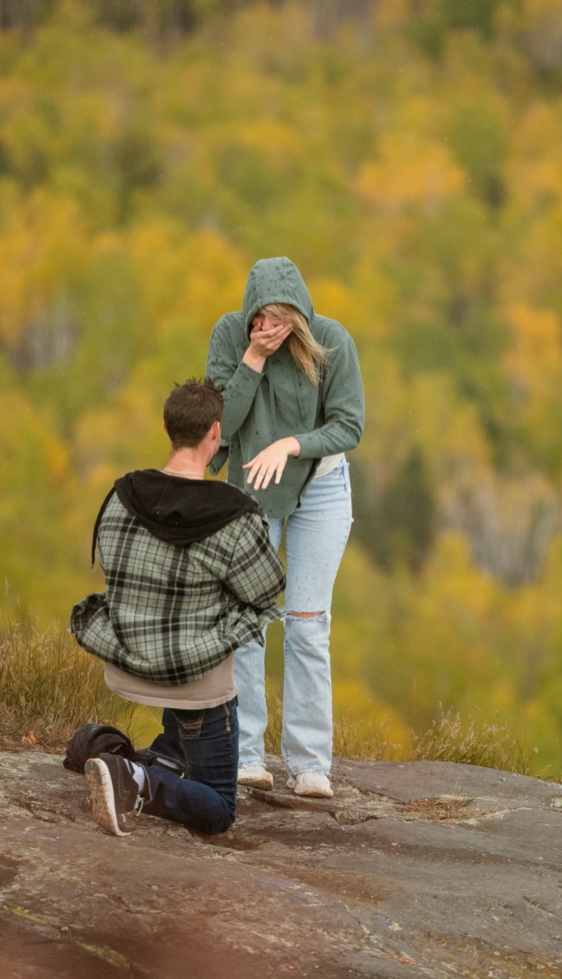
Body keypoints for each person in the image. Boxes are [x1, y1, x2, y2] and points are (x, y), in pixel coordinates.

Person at [69, 379, 285, 836]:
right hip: (195, 686)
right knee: (220, 809)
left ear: (166, 426)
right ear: (215, 434)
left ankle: (103, 749)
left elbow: (115, 570)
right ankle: (136, 782)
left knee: (188, 613)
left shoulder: (120, 496)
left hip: (126, 667)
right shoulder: (236, 514)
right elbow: (267, 591)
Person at [205, 256, 364, 799]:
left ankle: (310, 765)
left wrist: (291, 443)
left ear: (299, 312)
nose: (269, 326)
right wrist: (251, 358)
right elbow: (220, 425)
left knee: (306, 622)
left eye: (281, 317)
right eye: (261, 317)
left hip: (319, 484)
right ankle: (247, 755)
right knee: (248, 622)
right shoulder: (230, 336)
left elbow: (350, 424)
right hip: (253, 485)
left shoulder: (330, 339)